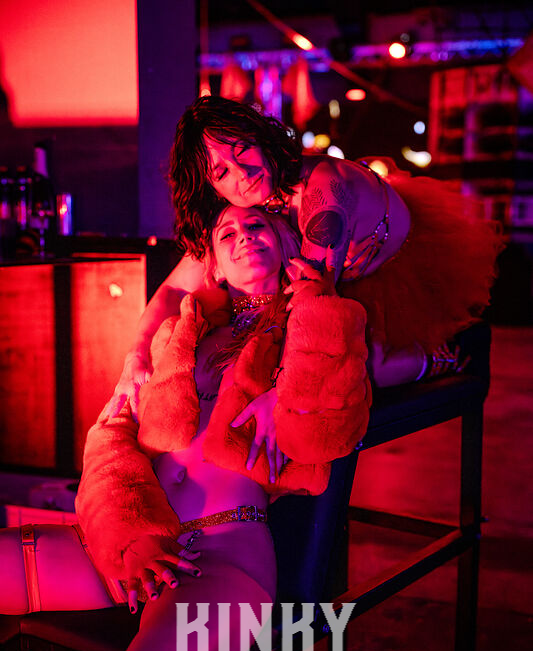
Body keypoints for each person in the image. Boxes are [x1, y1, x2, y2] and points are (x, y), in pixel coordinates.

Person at [0, 205, 375, 651]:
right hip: (130, 540)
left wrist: (310, 311)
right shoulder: (177, 336)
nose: (243, 236)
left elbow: (327, 427)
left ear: (285, 244)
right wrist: (131, 537)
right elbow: (109, 438)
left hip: (222, 555)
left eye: (257, 226)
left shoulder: (311, 332)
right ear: (214, 267)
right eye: (226, 233)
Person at [107, 95, 502, 423]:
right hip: (324, 286)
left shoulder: (322, 191)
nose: (241, 173)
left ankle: (439, 355)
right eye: (222, 171)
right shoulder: (249, 199)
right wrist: (135, 357)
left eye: (242, 149)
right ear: (211, 187)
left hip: (390, 272)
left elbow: (313, 312)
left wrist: (278, 395)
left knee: (357, 373)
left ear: (260, 136)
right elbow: (177, 287)